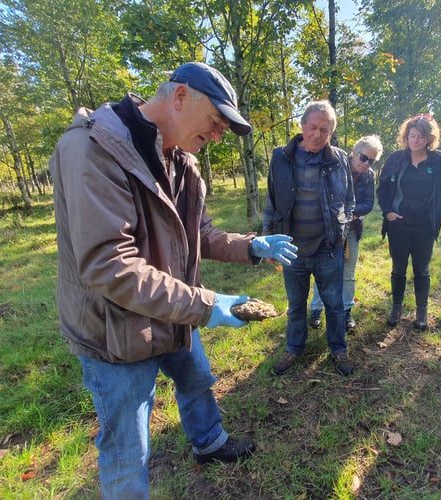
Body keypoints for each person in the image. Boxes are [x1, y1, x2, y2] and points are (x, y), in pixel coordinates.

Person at [49, 62, 299, 499]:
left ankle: (209, 441)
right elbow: (110, 265)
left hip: (174, 314)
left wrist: (250, 245)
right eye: (216, 122)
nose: (218, 135)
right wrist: (205, 306)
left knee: (197, 378)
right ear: (180, 96)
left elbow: (199, 233)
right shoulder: (92, 149)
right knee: (128, 444)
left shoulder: (184, 163)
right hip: (116, 331)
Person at [264, 100, 355, 376]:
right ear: (302, 125)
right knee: (295, 305)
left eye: (325, 130)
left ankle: (338, 348)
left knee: (335, 304)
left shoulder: (339, 158)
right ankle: (294, 347)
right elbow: (271, 200)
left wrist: (342, 230)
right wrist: (268, 240)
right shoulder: (281, 156)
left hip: (328, 248)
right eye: (313, 127)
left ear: (331, 133)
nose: (317, 135)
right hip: (292, 249)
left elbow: (349, 200)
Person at [376, 114, 441, 330]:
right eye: (412, 136)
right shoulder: (396, 159)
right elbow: (382, 188)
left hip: (425, 226)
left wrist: (436, 216)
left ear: (429, 139)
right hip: (398, 224)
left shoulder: (439, 160)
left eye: (420, 136)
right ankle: (396, 307)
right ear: (406, 136)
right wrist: (388, 212)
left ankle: (421, 311)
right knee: (398, 268)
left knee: (422, 269)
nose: (415, 140)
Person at [309, 135, 384, 332]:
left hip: (350, 232)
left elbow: (368, 204)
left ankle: (346, 311)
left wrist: (350, 213)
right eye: (364, 158)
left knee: (348, 274)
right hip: (327, 231)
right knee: (323, 272)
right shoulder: (335, 167)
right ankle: (316, 309)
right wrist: (337, 214)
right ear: (354, 152)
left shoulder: (368, 176)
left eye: (372, 160)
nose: (367, 163)